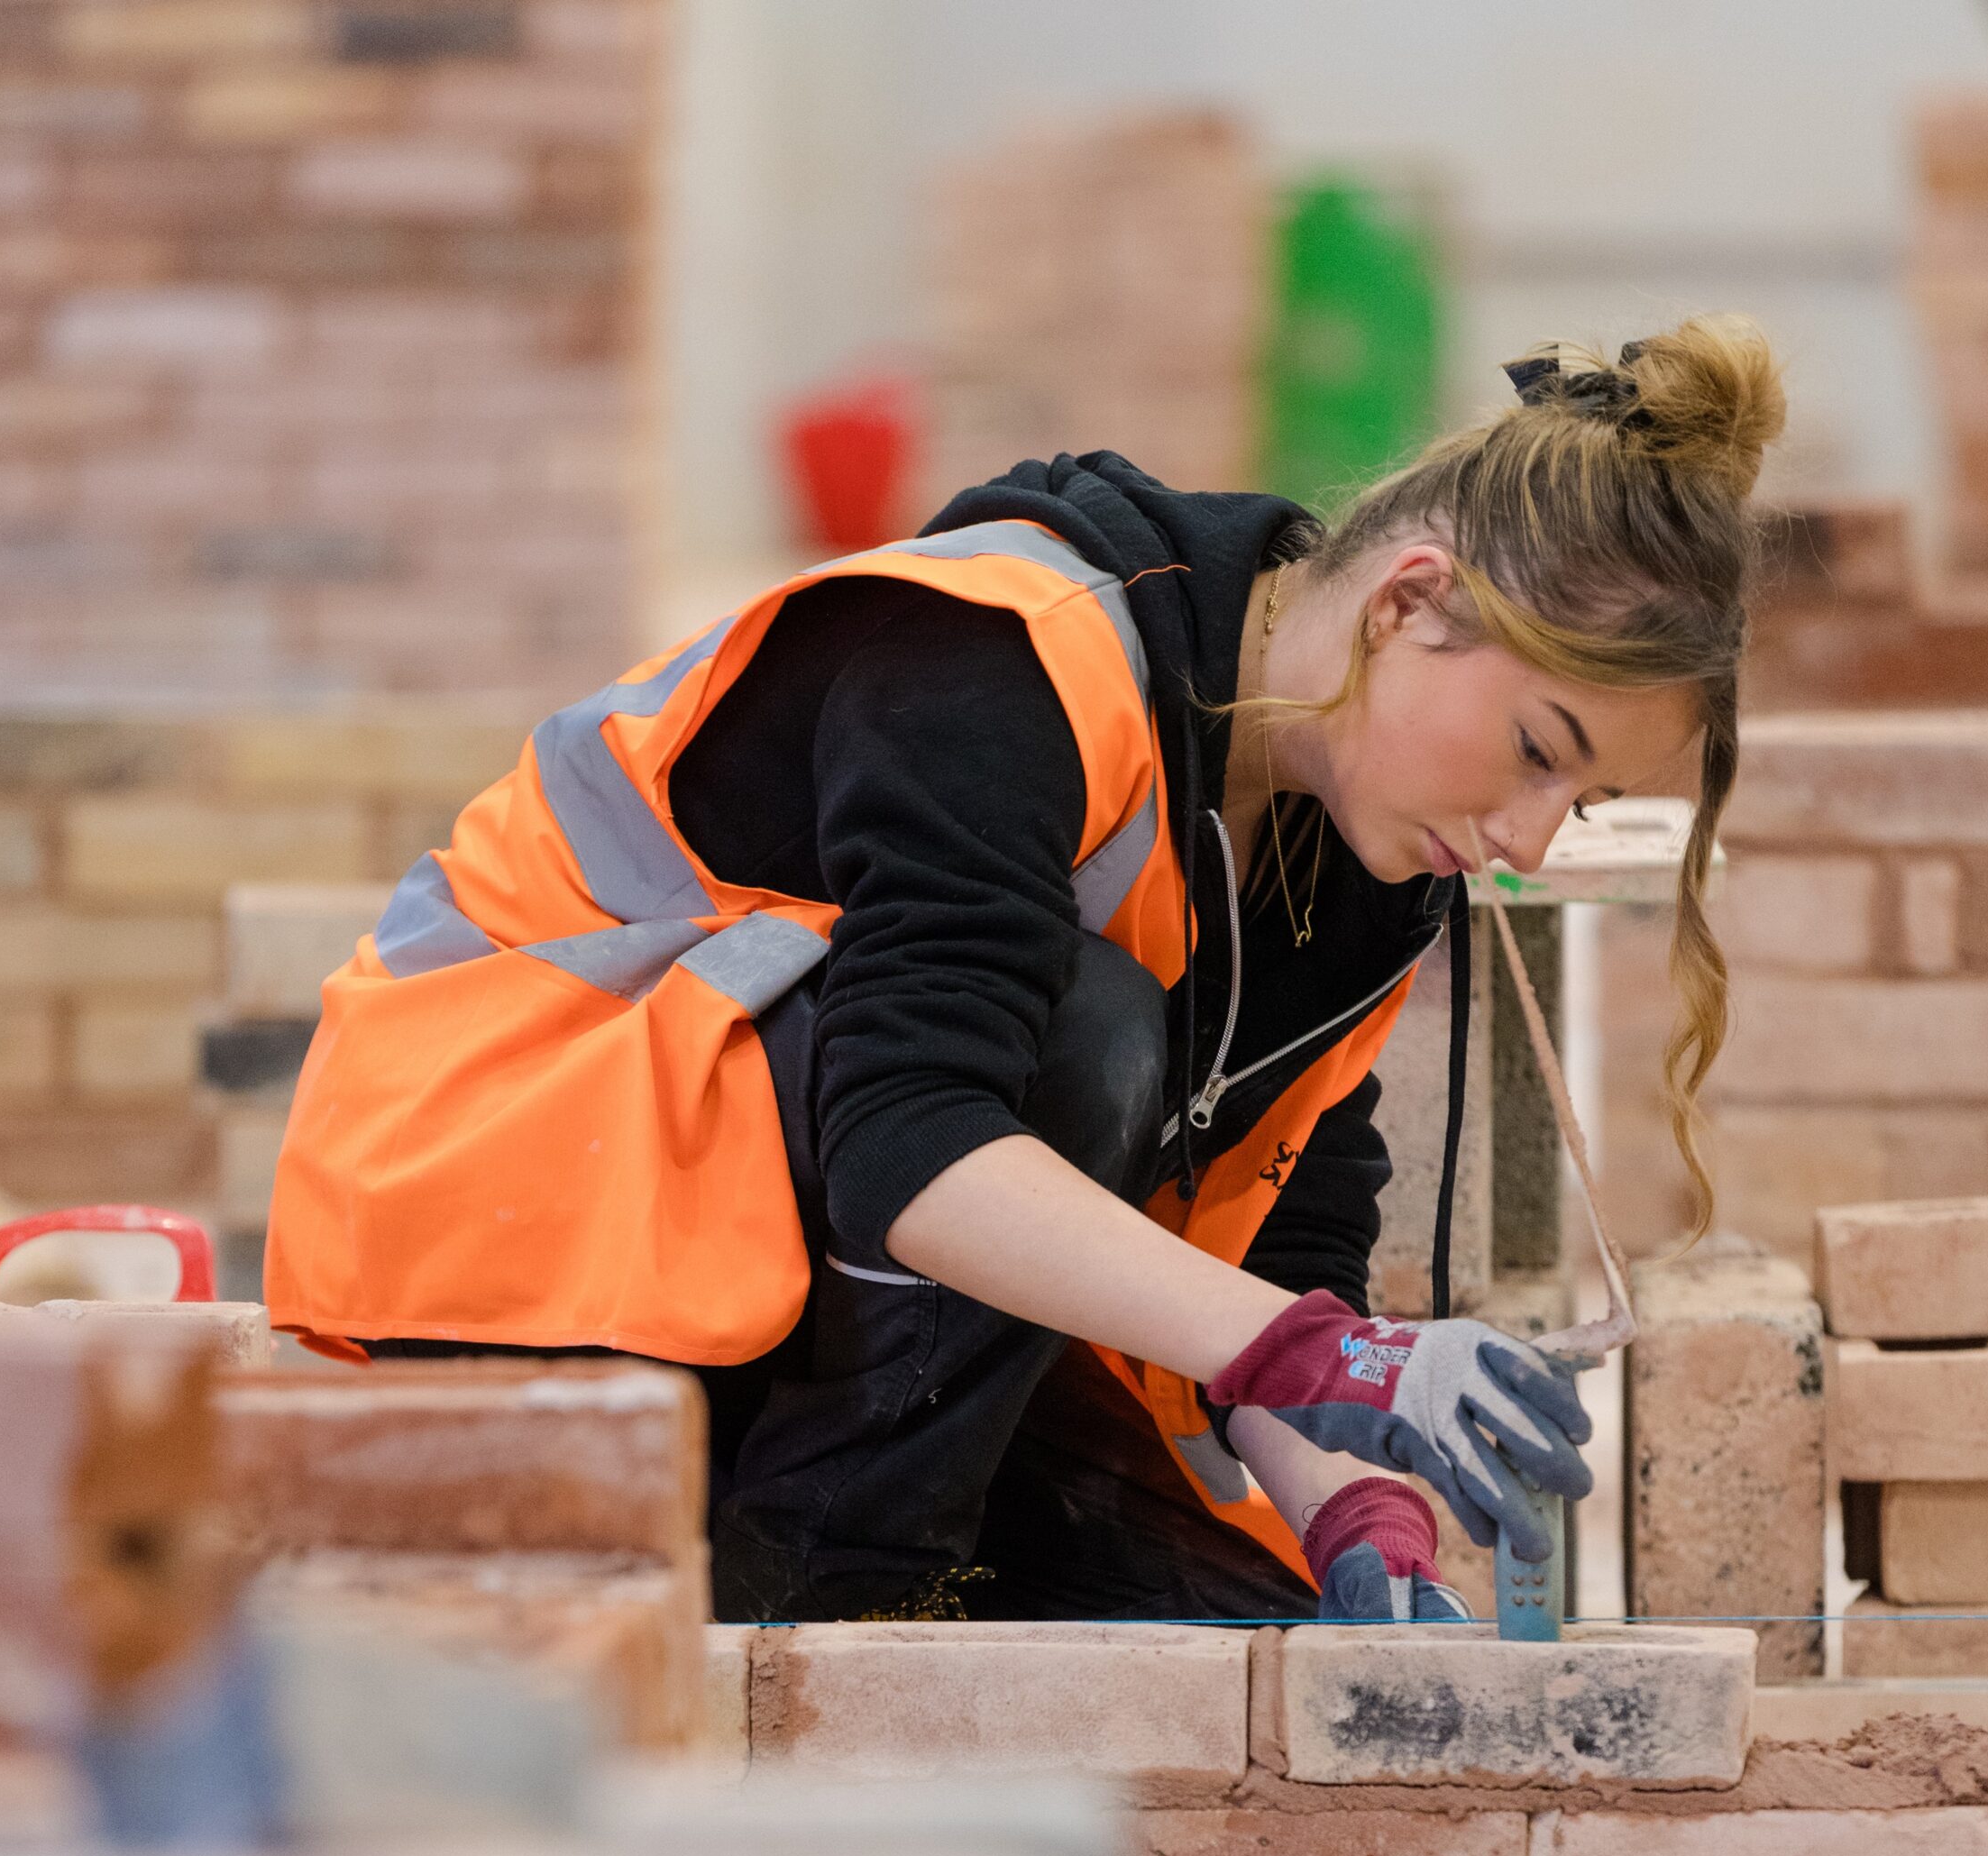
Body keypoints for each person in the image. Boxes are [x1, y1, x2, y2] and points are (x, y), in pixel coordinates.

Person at [265, 316, 1786, 1626]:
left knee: (1261, 1637)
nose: (1526, 838)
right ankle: (805, 1624)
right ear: (1408, 602)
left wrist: (1350, 1510)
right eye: (1539, 753)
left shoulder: (1363, 846)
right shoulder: (1005, 655)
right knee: (1084, 1035)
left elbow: (1275, 1249)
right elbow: (911, 1143)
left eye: (1577, 809)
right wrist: (1327, 1349)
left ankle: (866, 1587)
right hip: (510, 1212)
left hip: (798, 1316)